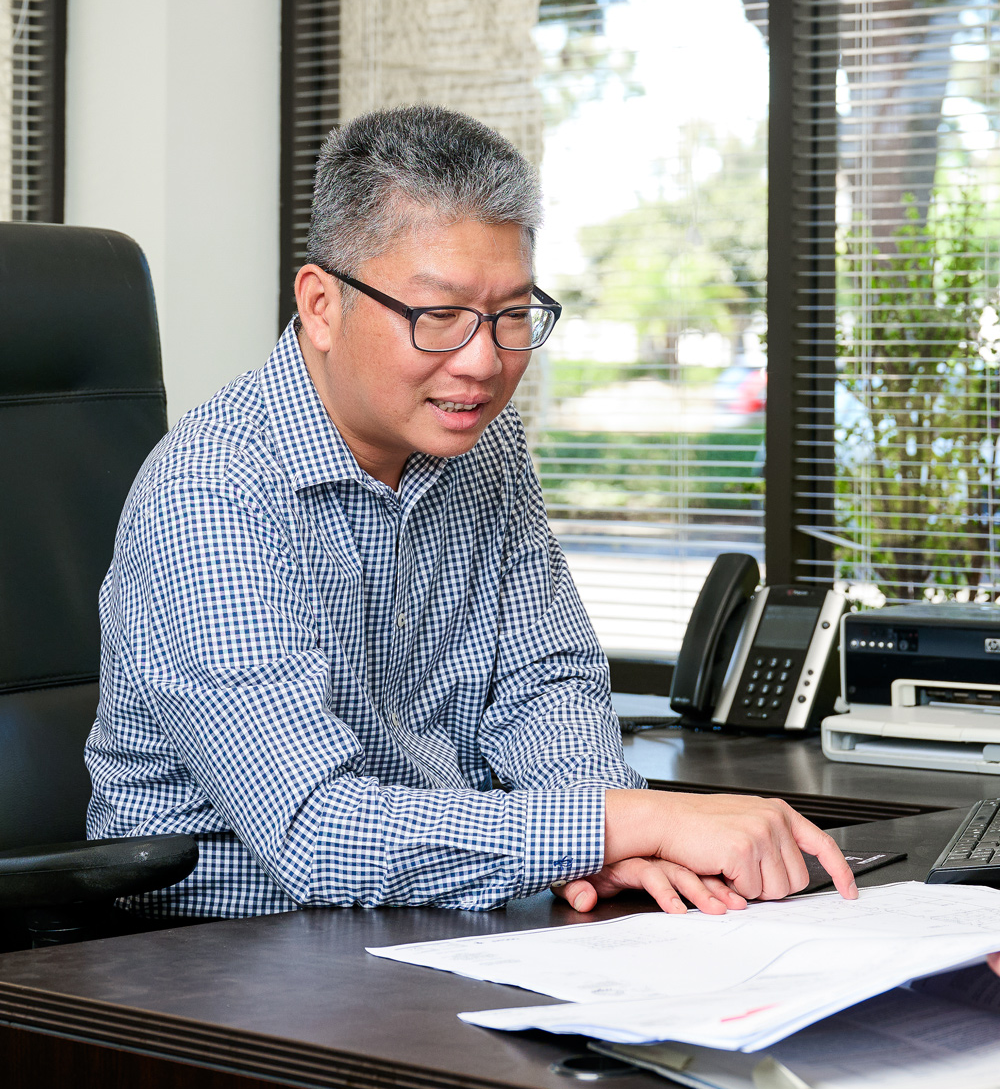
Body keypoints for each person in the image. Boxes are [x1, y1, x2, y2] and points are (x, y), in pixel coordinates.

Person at [86, 105, 856, 919]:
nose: (484, 362)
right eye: (439, 316)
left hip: (434, 915)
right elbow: (317, 833)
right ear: (320, 304)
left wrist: (610, 840)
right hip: (215, 961)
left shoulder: (477, 445)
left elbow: (543, 681)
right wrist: (622, 821)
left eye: (513, 316)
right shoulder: (210, 493)